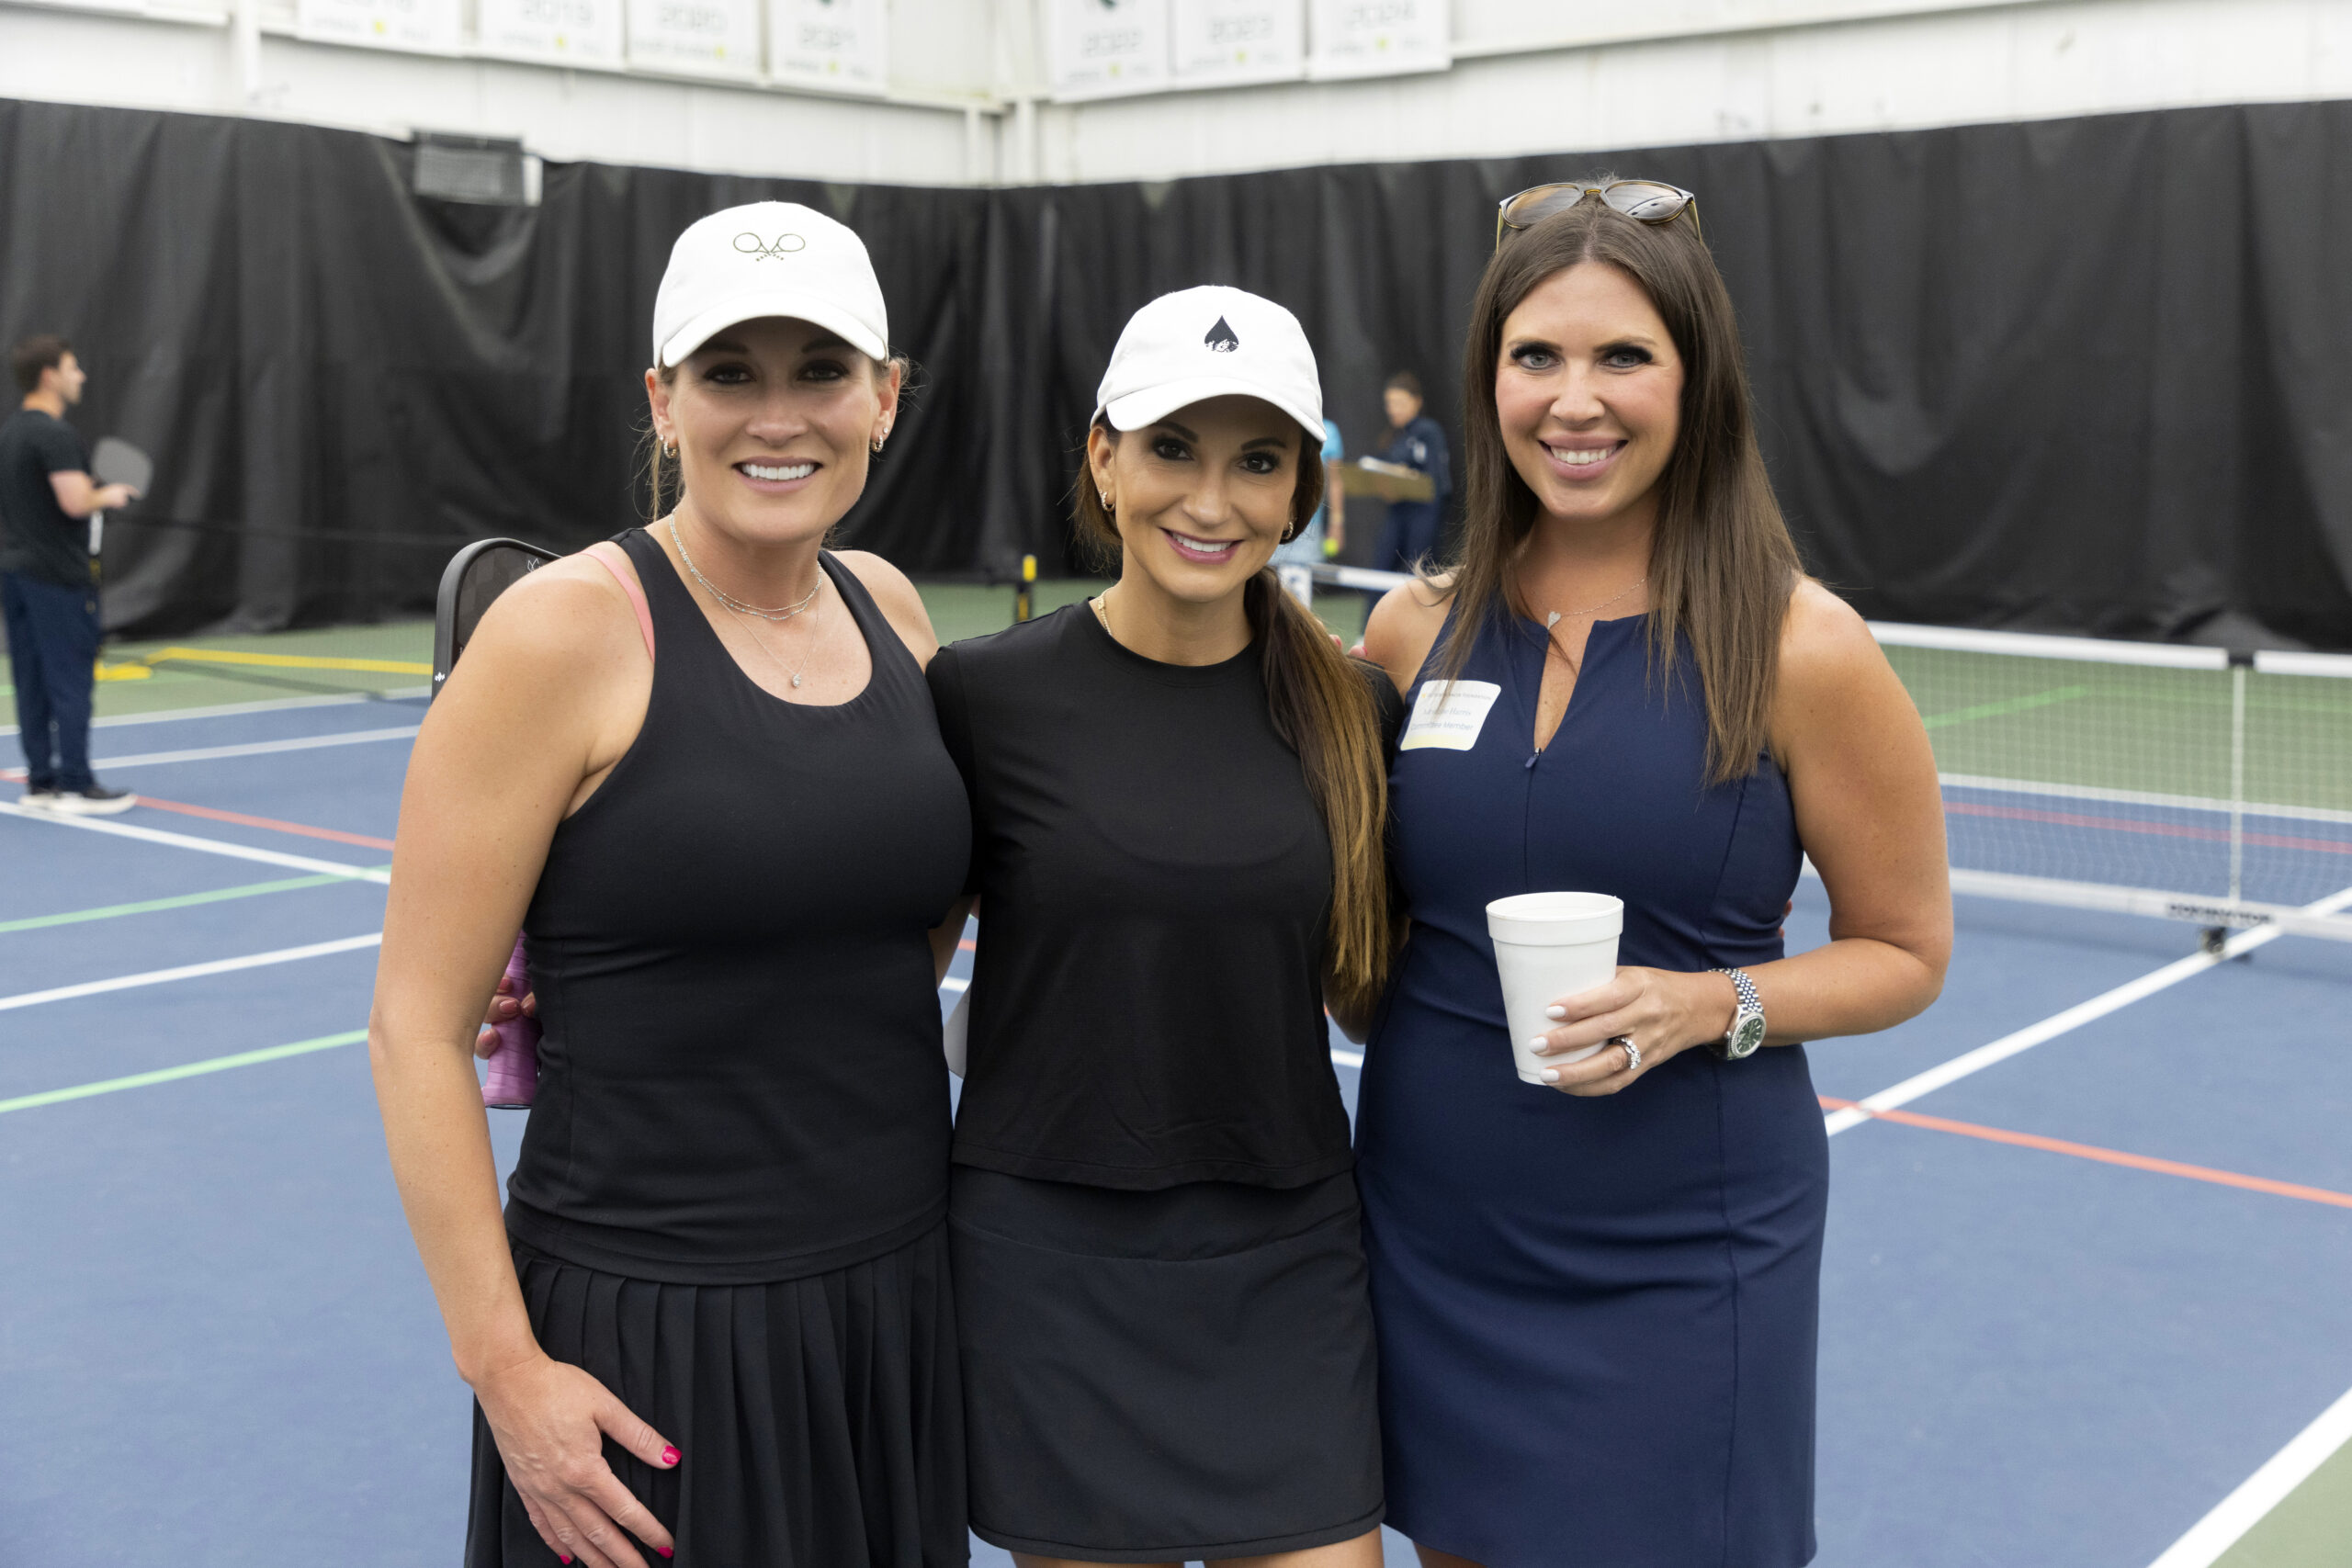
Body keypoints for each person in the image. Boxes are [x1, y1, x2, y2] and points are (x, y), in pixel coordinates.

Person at [1355, 180, 1951, 1567]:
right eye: (1537, 356)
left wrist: (1708, 1003)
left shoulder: (1803, 645)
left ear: (1698, 377)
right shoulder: (1406, 632)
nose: (1576, 399)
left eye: (1624, 355)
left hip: (1684, 1248)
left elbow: (1907, 951)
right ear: (1487, 375)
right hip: (1433, 1228)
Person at [369, 202, 973, 1568]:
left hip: (889, 1295)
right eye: (729, 373)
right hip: (653, 1327)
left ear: (884, 397)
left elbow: (903, 923)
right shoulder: (561, 633)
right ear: (662, 398)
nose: (778, 417)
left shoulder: (894, 607)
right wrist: (508, 1371)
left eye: (819, 371)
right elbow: (414, 1027)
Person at [929, 286, 1398, 1568]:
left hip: (1286, 1256)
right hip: (1049, 1268)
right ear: (1103, 455)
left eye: (1259, 461)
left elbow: (1377, 989)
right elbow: (873, 967)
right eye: (1172, 449)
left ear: (1301, 488)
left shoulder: (1356, 711)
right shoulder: (981, 697)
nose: (1212, 500)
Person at [1, 334, 138, 815]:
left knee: (32, 680)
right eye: (73, 368)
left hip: (15, 576)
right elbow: (75, 501)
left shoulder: (11, 432)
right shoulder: (55, 434)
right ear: (49, 375)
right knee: (70, 678)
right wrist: (112, 495)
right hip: (57, 579)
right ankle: (78, 785)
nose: (80, 376)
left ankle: (41, 784)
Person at [1369, 372, 1449, 576]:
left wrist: (1408, 476)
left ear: (1417, 402)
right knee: (1381, 567)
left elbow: (1436, 482)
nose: (1393, 409)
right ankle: (1374, 609)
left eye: (1399, 402)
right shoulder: (1392, 438)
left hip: (1424, 513)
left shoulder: (1429, 431)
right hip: (1397, 511)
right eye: (1389, 403)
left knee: (1419, 572)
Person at [1269, 414, 1345, 605]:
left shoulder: (1330, 431)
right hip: (1269, 522)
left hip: (1307, 527)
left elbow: (1335, 481)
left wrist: (1337, 523)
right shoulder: (1275, 422)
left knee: (1297, 603)